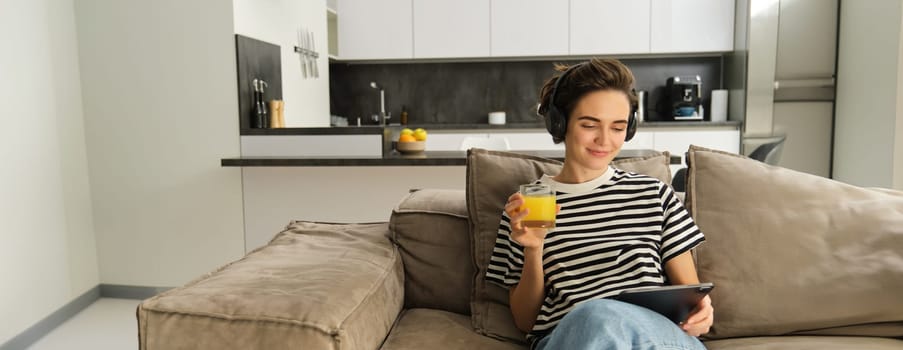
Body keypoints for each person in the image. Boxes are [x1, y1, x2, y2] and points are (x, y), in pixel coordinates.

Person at [485, 58, 714, 350]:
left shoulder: (655, 195)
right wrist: (533, 250)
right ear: (560, 122)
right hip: (569, 338)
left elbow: (689, 297)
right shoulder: (528, 206)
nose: (604, 140)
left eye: (618, 128)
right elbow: (526, 322)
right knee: (596, 315)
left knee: (602, 315)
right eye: (590, 125)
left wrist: (700, 312)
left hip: (656, 338)